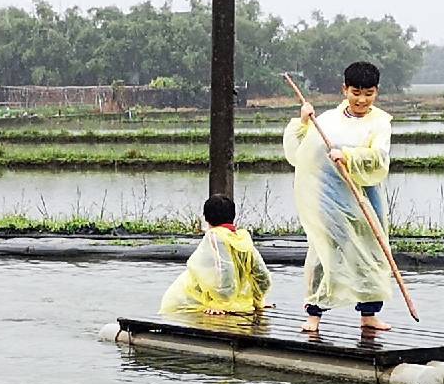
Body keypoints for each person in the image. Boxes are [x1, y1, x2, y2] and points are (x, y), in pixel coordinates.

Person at [283, 60, 394, 334]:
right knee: (324, 252)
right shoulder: (328, 121)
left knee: (372, 251)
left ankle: (369, 315)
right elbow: (299, 153)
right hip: (330, 200)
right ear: (345, 89)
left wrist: (349, 156)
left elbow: (379, 159)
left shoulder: (380, 123)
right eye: (356, 93)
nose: (362, 100)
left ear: (376, 92)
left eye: (368, 94)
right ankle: (313, 316)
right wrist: (303, 122)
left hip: (363, 196)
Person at [159, 193, 274, 316]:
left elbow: (224, 270)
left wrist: (220, 302)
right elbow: (261, 274)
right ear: (233, 216)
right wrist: (258, 299)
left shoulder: (214, 236)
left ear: (206, 218)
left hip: (210, 303)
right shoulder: (242, 238)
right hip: (241, 304)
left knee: (173, 312)